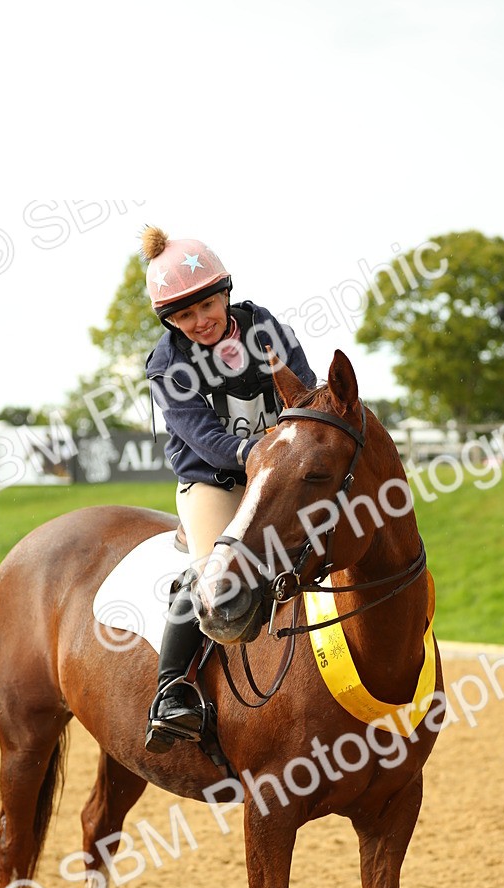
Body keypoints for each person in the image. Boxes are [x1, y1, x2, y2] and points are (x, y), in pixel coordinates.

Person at [140, 226, 316, 753]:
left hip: (275, 478)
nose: (200, 322)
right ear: (171, 321)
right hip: (213, 481)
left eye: (208, 306)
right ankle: (171, 690)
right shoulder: (168, 364)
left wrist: (291, 455)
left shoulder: (267, 331)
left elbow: (303, 396)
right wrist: (259, 454)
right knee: (210, 575)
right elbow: (205, 439)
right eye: (184, 317)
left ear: (226, 294)